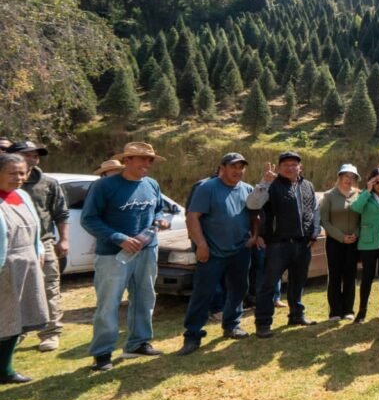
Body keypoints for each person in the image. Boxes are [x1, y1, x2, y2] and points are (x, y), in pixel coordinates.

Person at [81, 142, 170, 371]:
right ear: (127, 160)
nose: (147, 164)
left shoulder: (151, 184)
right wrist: (118, 237)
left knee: (144, 298)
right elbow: (89, 219)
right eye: (142, 159)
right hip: (114, 254)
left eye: (150, 160)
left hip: (147, 251)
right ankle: (102, 354)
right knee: (109, 303)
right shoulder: (105, 186)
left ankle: (138, 343)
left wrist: (161, 219)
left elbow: (158, 209)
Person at [177, 153, 257, 356]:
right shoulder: (207, 188)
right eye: (233, 167)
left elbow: (255, 214)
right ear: (222, 167)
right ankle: (192, 336)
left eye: (241, 167)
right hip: (212, 252)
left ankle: (231, 325)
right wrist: (201, 244)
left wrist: (254, 236)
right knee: (203, 293)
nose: (237, 171)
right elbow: (192, 217)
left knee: (239, 289)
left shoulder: (247, 189)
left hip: (239, 250)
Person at [247, 151, 321, 337]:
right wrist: (264, 183)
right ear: (279, 168)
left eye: (294, 164)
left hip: (302, 244)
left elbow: (314, 209)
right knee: (269, 285)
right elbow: (253, 204)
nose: (290, 167)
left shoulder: (308, 185)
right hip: (278, 244)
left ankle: (296, 315)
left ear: (300, 167)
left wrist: (314, 232)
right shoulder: (271, 185)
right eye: (285, 164)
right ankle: (263, 324)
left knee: (298, 282)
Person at [9, 141, 69, 352]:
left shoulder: (48, 183)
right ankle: (16, 332)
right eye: (27, 155)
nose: (32, 159)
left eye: (35, 156)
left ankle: (50, 333)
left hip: (43, 242)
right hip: (11, 246)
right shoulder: (6, 182)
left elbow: (61, 214)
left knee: (49, 287)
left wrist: (63, 239)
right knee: (14, 290)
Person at [0, 153, 48, 384]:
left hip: (27, 262)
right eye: (12, 173)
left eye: (22, 173)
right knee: (4, 317)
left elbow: (36, 229)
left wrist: (39, 251)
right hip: (4, 265)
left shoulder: (22, 196)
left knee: (17, 317)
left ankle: (5, 369)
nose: (19, 178)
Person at [349, 167, 379, 323]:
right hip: (368, 241)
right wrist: (367, 191)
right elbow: (355, 208)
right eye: (377, 181)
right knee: (367, 277)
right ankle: (362, 312)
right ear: (371, 181)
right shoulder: (365, 195)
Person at [321, 164, 362, 321]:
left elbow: (362, 219)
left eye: (352, 177)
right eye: (346, 175)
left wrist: (355, 235)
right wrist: (340, 236)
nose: (349, 179)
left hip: (353, 241)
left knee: (350, 276)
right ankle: (335, 311)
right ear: (339, 176)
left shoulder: (359, 195)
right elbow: (324, 220)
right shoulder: (329, 195)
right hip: (334, 242)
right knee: (335, 275)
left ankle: (348, 310)